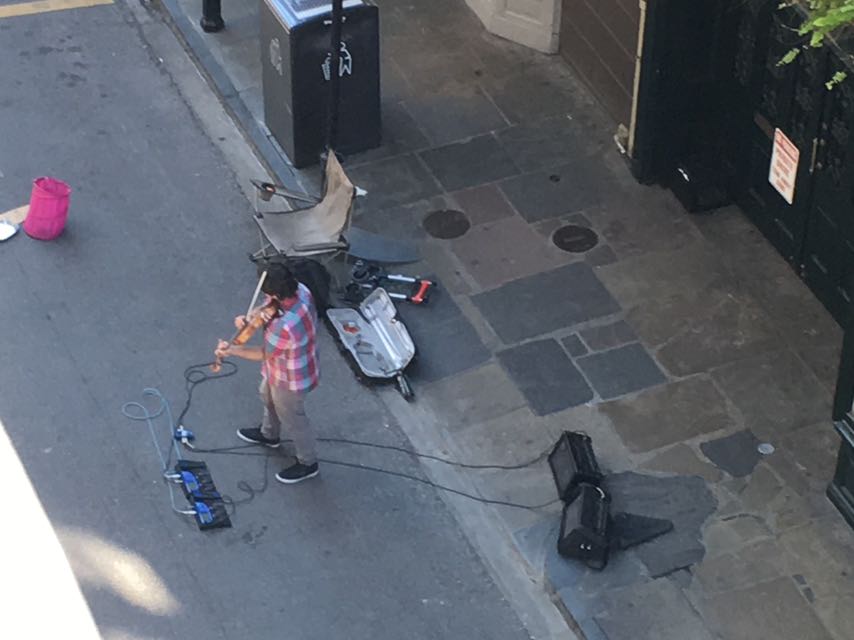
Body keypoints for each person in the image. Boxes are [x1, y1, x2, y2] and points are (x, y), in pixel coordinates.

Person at [214, 263, 320, 484]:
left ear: (274, 293)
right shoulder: (300, 290)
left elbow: (264, 353)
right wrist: (250, 318)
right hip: (282, 368)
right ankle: (269, 434)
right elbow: (268, 308)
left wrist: (232, 350)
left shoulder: (285, 325)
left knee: (293, 418)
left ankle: (308, 462)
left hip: (291, 376)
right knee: (267, 396)